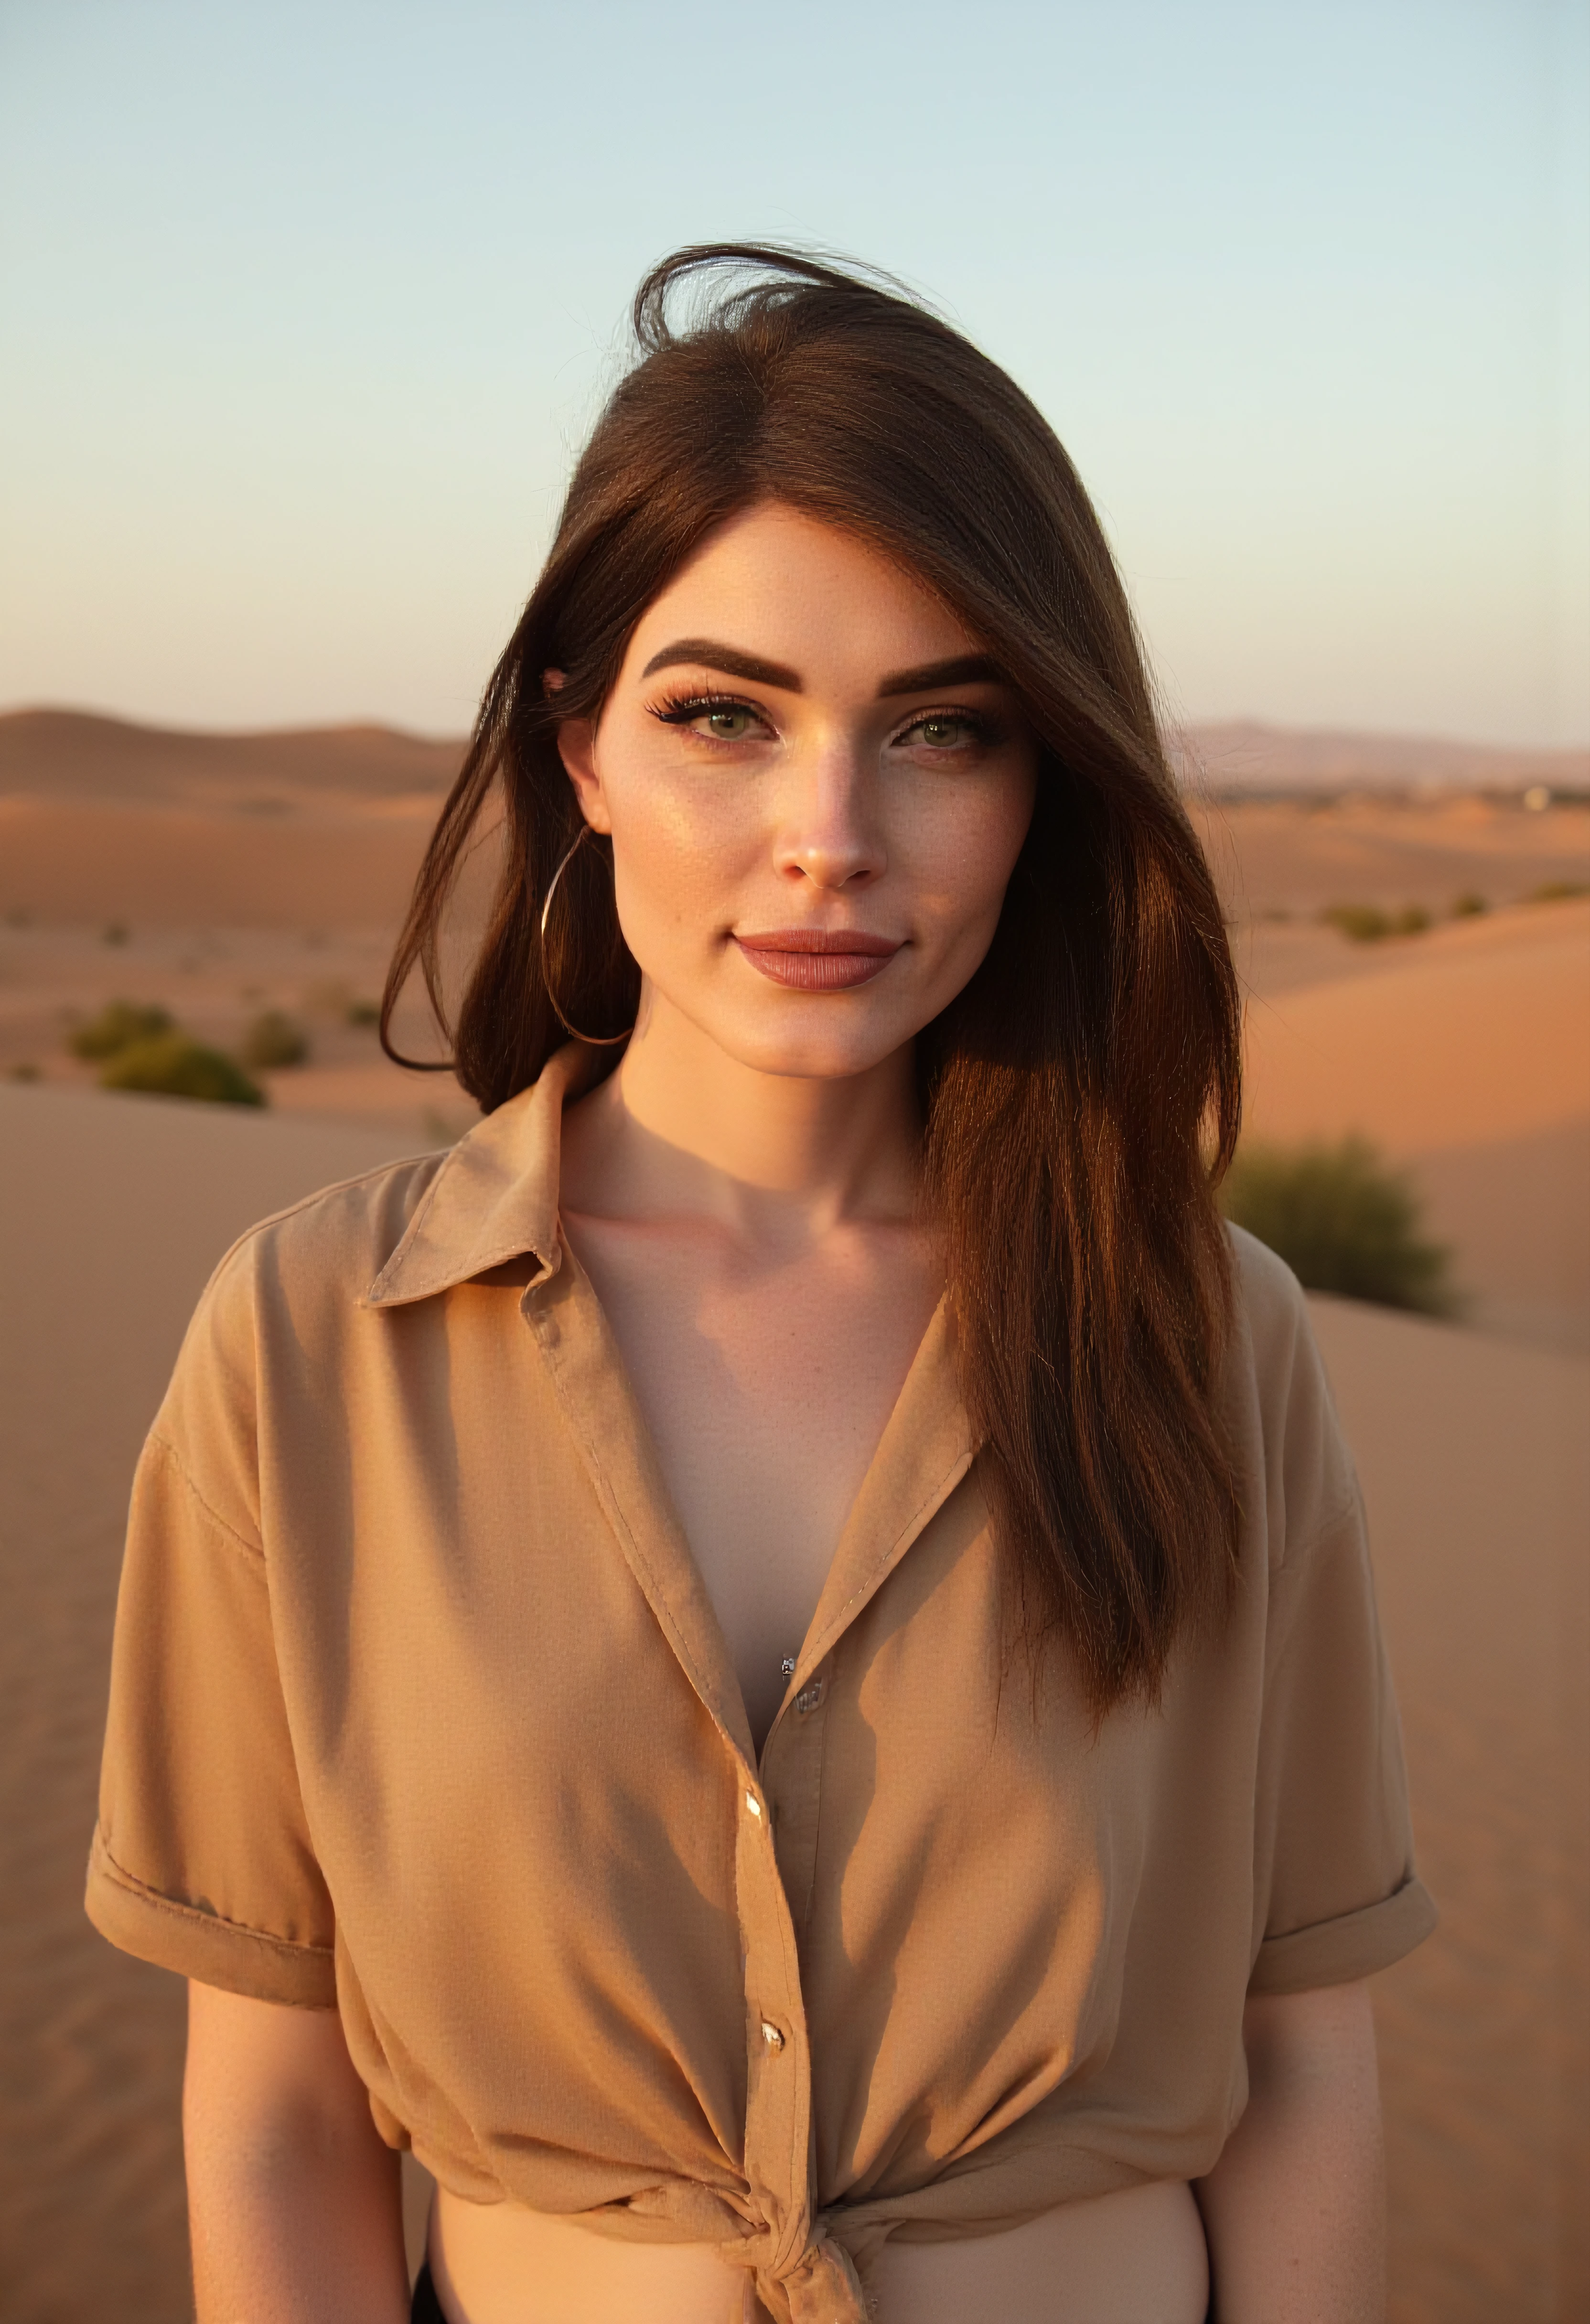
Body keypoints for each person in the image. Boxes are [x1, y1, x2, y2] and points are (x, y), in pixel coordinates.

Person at [86, 247, 1434, 2324]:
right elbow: (274, 2111)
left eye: (943, 729)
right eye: (725, 713)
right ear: (581, 751)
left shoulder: (1213, 1334)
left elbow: (1305, 2072)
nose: (831, 835)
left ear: (1039, 785)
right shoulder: (305, 1346)